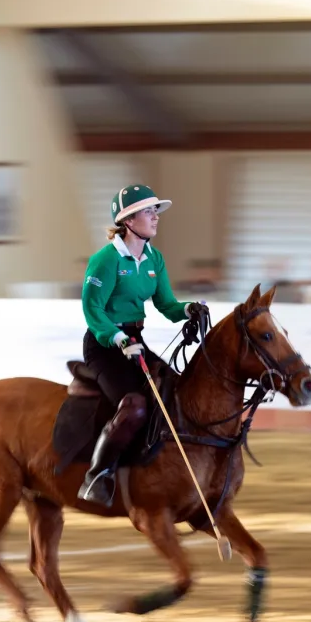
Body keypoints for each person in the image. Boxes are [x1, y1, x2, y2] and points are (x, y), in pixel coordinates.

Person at [78, 184, 208, 507]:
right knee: (134, 404)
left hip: (136, 340)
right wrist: (118, 339)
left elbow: (166, 304)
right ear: (128, 220)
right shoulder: (105, 260)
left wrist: (189, 309)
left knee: (174, 389)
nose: (155, 218)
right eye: (149, 212)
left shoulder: (154, 258)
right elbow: (92, 310)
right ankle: (97, 474)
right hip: (104, 344)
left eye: (155, 212)